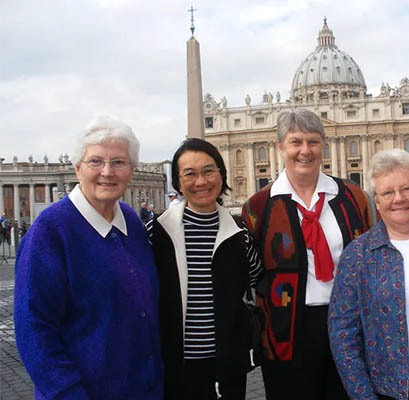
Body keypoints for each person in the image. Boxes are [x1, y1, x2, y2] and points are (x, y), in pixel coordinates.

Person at [14, 116, 163, 399]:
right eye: (96, 161)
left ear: (132, 170)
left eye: (118, 162)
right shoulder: (50, 231)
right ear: (78, 168)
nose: (107, 172)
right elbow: (35, 330)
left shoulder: (131, 222)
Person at [242, 109, 374, 400]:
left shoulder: (354, 197)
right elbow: (251, 271)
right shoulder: (258, 207)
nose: (305, 151)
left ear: (323, 145)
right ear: (279, 147)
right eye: (295, 142)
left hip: (348, 324)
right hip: (285, 331)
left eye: (313, 142)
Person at [329, 148, 409, 399]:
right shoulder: (358, 255)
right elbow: (342, 333)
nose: (398, 198)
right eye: (387, 192)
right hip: (388, 390)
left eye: (407, 189)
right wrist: (363, 396)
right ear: (377, 202)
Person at [146, 138, 263, 399]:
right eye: (190, 173)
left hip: (227, 365)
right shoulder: (156, 232)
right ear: (178, 182)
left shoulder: (240, 233)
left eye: (209, 171)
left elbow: (256, 277)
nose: (201, 182)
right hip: (173, 364)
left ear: (221, 175)